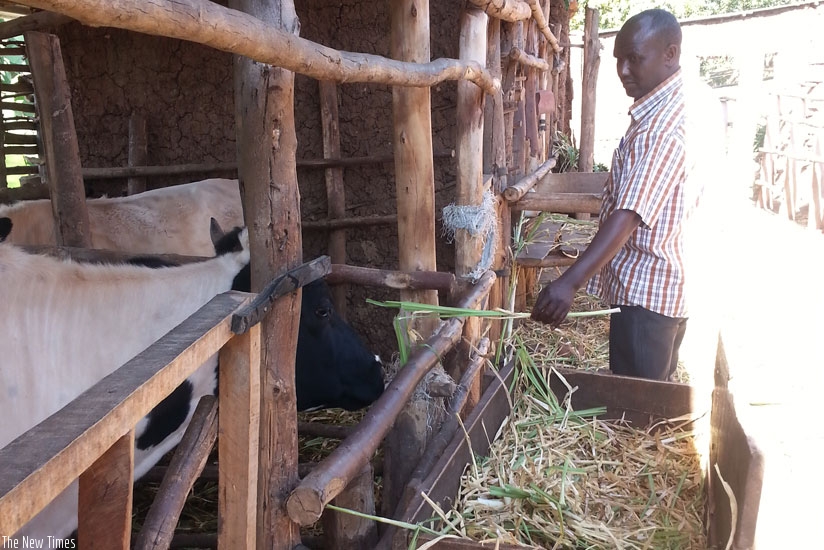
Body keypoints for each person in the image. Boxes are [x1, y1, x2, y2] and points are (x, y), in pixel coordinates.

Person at [531, 8, 715, 381]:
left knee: (636, 408)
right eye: (619, 60)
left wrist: (569, 283)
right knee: (651, 399)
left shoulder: (660, 129)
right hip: (667, 288)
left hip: (646, 294)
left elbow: (629, 214)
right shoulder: (679, 104)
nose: (624, 71)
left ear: (670, 54)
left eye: (635, 58)